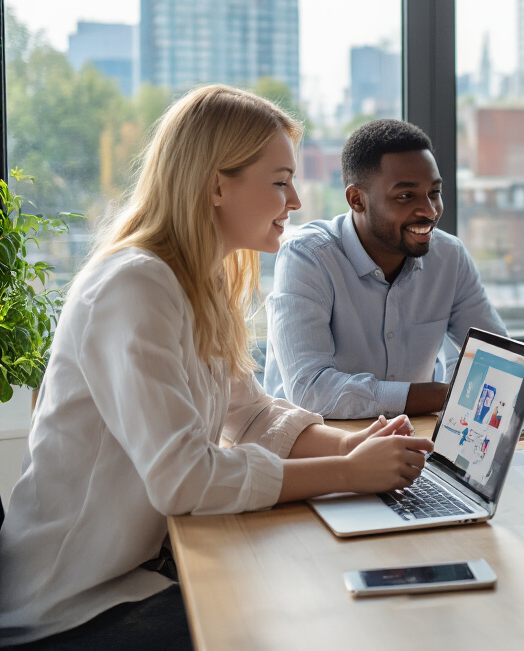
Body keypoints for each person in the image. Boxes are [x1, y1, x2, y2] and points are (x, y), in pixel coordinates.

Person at [0, 86, 434, 648]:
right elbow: (184, 478)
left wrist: (349, 449)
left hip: (136, 576)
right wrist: (350, 475)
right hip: (70, 606)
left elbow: (247, 412)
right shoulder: (134, 286)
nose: (297, 201)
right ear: (215, 186)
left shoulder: (197, 281)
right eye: (280, 182)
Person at [263, 119, 505, 418]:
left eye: (434, 192)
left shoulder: (449, 256)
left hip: (415, 438)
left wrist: (465, 390)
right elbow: (312, 391)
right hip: (319, 444)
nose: (429, 211)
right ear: (357, 200)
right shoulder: (308, 257)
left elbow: (499, 360)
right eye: (406, 196)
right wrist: (450, 395)